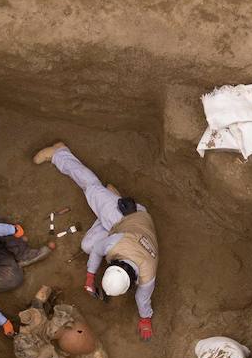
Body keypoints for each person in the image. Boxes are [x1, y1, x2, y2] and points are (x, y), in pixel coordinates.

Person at [32, 142, 158, 341]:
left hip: (129, 223)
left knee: (87, 237)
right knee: (91, 195)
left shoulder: (147, 274)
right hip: (126, 222)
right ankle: (60, 154)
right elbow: (99, 252)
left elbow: (143, 298)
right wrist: (90, 277)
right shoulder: (118, 245)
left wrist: (145, 320)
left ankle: (108, 196)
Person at [12, 286, 109, 358]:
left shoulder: (49, 326)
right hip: (34, 348)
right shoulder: (38, 352)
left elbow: (44, 291)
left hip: (40, 338)